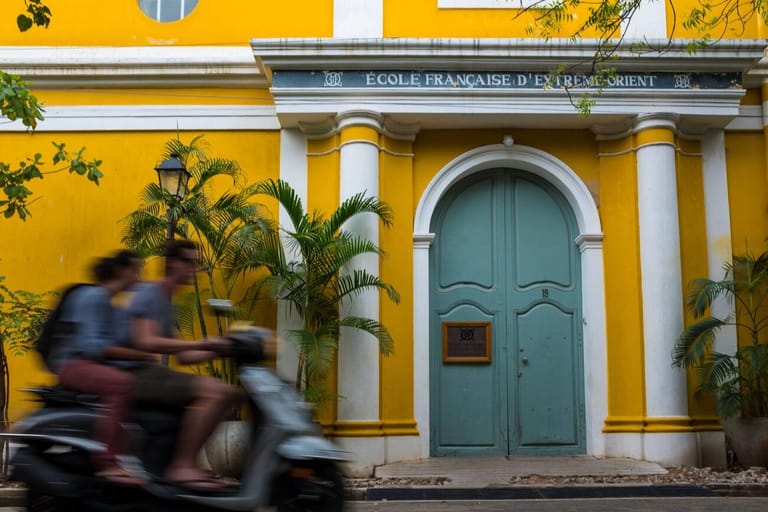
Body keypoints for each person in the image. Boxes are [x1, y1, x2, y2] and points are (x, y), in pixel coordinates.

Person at [124, 239, 237, 489]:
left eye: (196, 263)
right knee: (218, 392)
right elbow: (146, 341)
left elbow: (184, 357)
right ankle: (182, 466)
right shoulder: (150, 293)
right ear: (172, 263)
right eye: (189, 262)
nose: (194, 269)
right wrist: (200, 343)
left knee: (227, 394)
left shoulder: (166, 299)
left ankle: (182, 464)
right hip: (135, 372)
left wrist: (219, 348)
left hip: (147, 371)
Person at [50, 249, 150, 486]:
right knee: (120, 383)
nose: (140, 278)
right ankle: (107, 462)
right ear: (121, 270)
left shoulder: (108, 302)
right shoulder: (95, 296)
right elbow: (92, 346)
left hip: (82, 363)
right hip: (71, 364)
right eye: (136, 270)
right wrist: (137, 354)